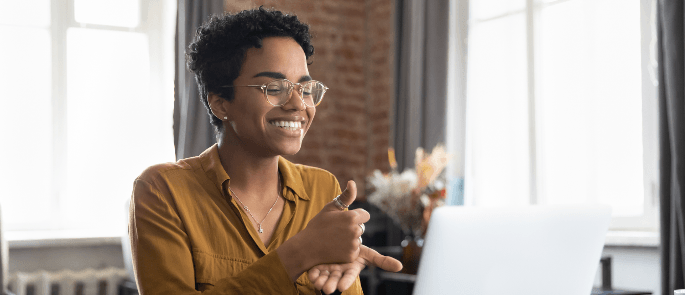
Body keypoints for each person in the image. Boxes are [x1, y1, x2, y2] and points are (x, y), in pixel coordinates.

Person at [128, 7, 402, 295]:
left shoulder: (323, 189)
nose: (298, 104)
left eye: (305, 88)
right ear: (221, 103)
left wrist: (339, 286)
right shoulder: (162, 190)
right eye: (274, 87)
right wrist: (300, 253)